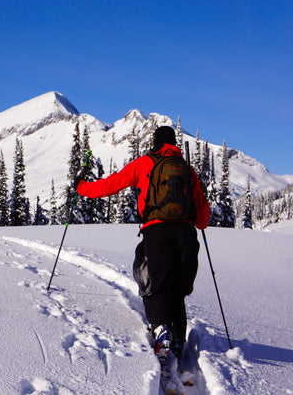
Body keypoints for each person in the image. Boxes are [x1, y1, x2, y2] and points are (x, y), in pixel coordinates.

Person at [76, 125, 210, 361]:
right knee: (177, 288)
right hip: (186, 235)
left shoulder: (144, 163)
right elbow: (202, 219)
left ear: (155, 143)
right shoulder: (187, 169)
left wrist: (82, 188)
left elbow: (110, 185)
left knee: (152, 282)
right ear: (174, 144)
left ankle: (160, 329)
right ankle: (178, 338)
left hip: (156, 231)